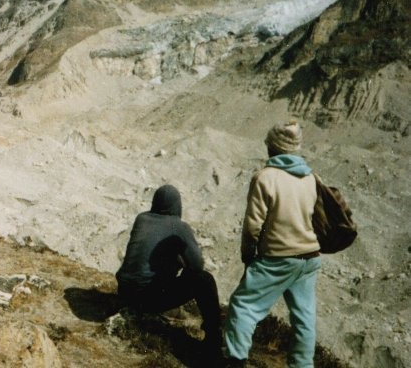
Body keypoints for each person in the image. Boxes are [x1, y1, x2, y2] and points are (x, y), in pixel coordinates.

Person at [224, 121, 321, 368]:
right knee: (304, 318)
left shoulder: (265, 178)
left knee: (243, 305)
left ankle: (235, 362)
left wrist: (248, 256)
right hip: (310, 257)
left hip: (278, 258)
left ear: (273, 148)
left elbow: (253, 225)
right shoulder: (310, 178)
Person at [115, 184, 222, 360]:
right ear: (177, 205)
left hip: (124, 292)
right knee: (204, 280)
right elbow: (197, 266)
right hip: (145, 298)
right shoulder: (178, 226)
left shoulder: (141, 218)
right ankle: (213, 337)